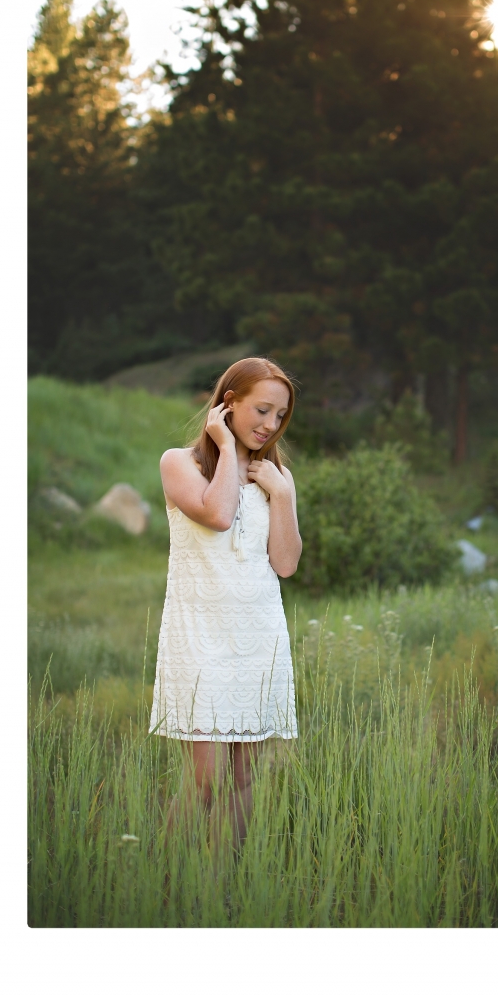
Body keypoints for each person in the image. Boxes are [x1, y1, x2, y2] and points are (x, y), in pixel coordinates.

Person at [149, 356, 301, 847]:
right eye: (261, 410)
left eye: (280, 415)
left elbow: (286, 564)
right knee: (206, 781)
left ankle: (221, 897)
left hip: (258, 639)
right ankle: (166, 886)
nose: (270, 425)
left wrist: (283, 496)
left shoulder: (276, 476)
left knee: (242, 779)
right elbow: (216, 515)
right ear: (228, 404)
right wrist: (225, 449)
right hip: (201, 639)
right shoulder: (180, 463)